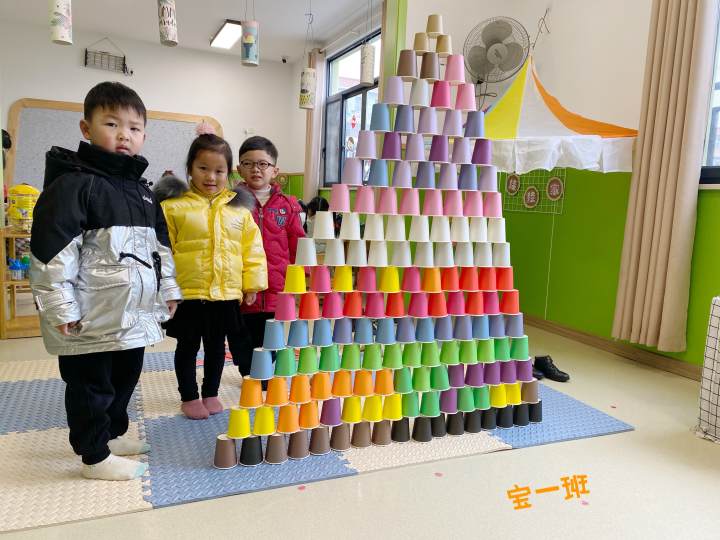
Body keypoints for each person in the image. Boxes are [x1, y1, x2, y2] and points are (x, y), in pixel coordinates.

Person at [29, 81, 182, 481]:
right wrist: (60, 308)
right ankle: (93, 455)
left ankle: (112, 436)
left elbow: (160, 249)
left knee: (124, 378)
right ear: (86, 128)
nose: (123, 135)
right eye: (111, 124)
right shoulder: (74, 184)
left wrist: (169, 291)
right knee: (90, 385)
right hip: (89, 315)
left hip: (132, 314)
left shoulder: (143, 192)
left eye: (133, 127)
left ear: (144, 135)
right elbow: (51, 253)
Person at [155, 131, 267, 419]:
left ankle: (211, 393)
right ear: (190, 168)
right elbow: (162, 250)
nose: (210, 177)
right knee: (188, 346)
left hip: (225, 293)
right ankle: (189, 396)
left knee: (218, 346)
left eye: (218, 170)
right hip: (189, 293)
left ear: (228, 173)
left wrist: (252, 282)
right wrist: (165, 289)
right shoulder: (173, 207)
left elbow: (252, 249)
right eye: (203, 168)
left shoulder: (239, 211)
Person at [227, 136, 305, 376]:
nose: (256, 169)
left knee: (271, 334)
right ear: (239, 169)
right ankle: (247, 369)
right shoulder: (230, 203)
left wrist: (303, 277)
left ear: (275, 171)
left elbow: (298, 243)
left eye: (263, 164)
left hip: (277, 284)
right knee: (241, 334)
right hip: (242, 285)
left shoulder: (288, 205)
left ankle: (262, 372)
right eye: (248, 163)